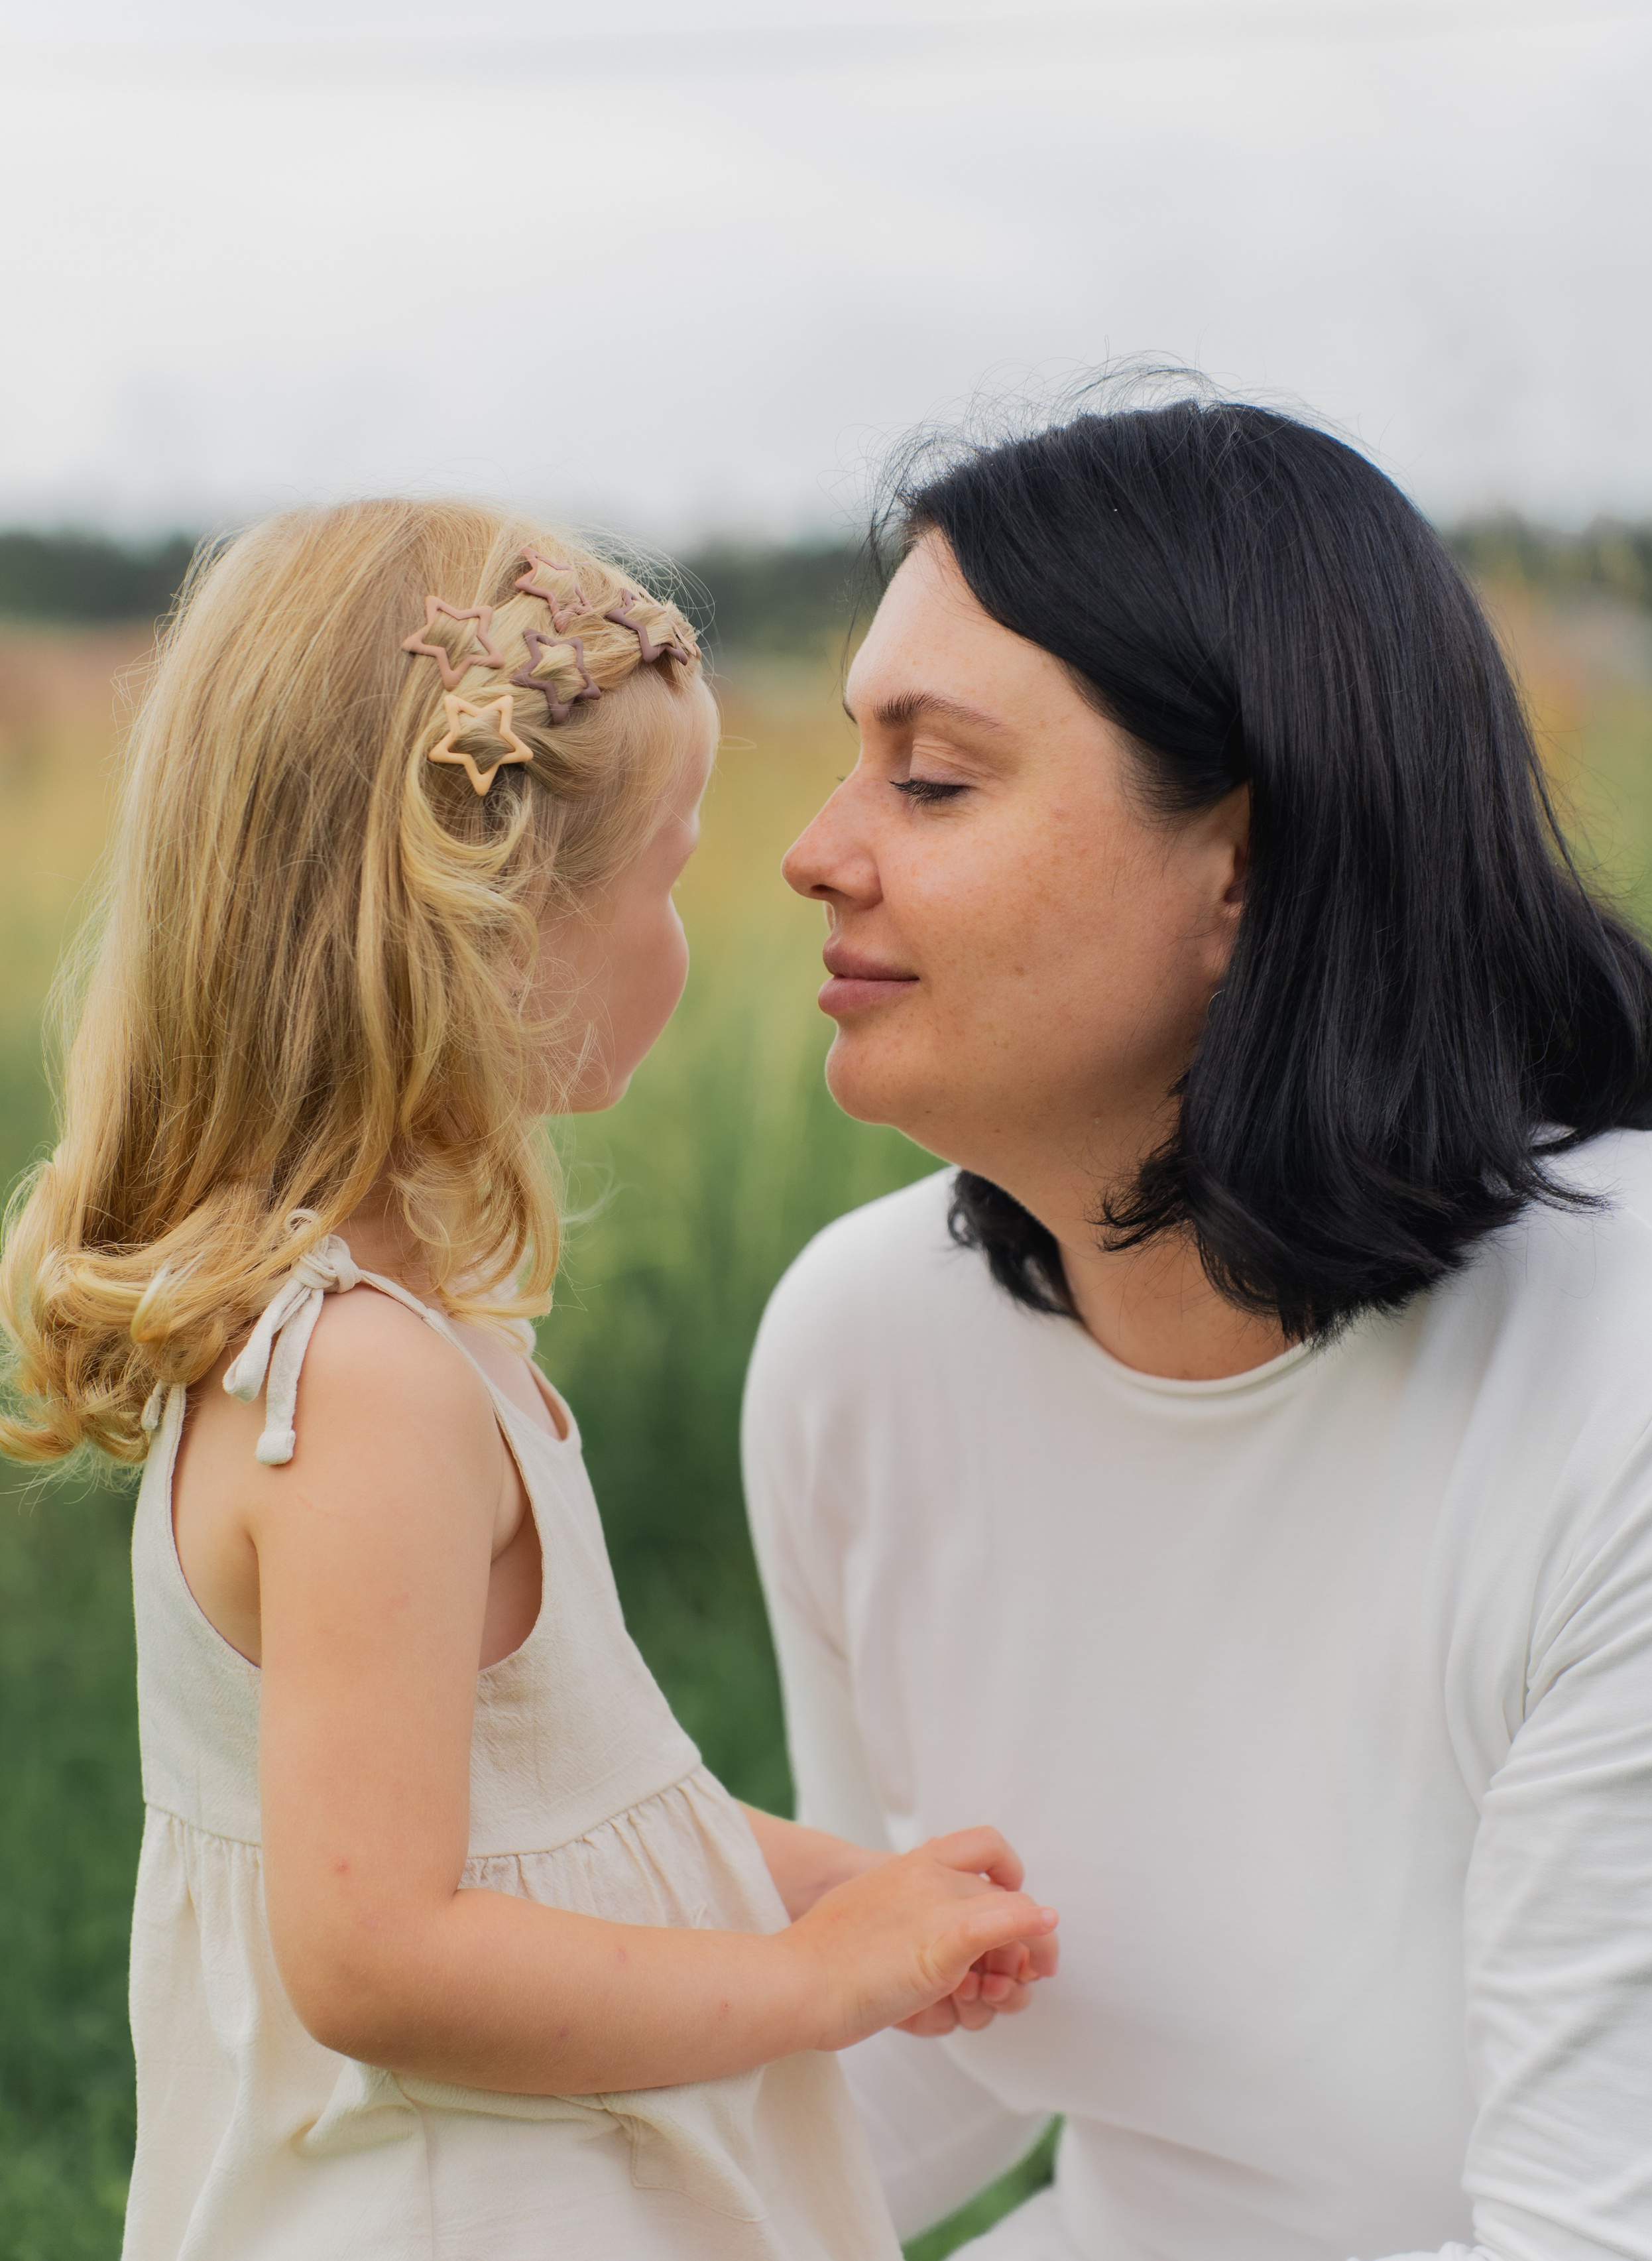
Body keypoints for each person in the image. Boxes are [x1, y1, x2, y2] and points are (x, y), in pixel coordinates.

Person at [0, 498, 1059, 2261]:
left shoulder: (387, 1350)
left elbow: (562, 1809)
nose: (693, 939)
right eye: (665, 877)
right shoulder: (363, 1396)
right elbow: (382, 1952)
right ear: (486, 938)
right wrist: (808, 1979)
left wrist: (855, 1889)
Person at [744, 395, 1652, 2261]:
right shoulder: (865, 1348)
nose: (817, 849)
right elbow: (941, 2033)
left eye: (930, 779)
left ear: (1243, 872)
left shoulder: (1649, 1384)